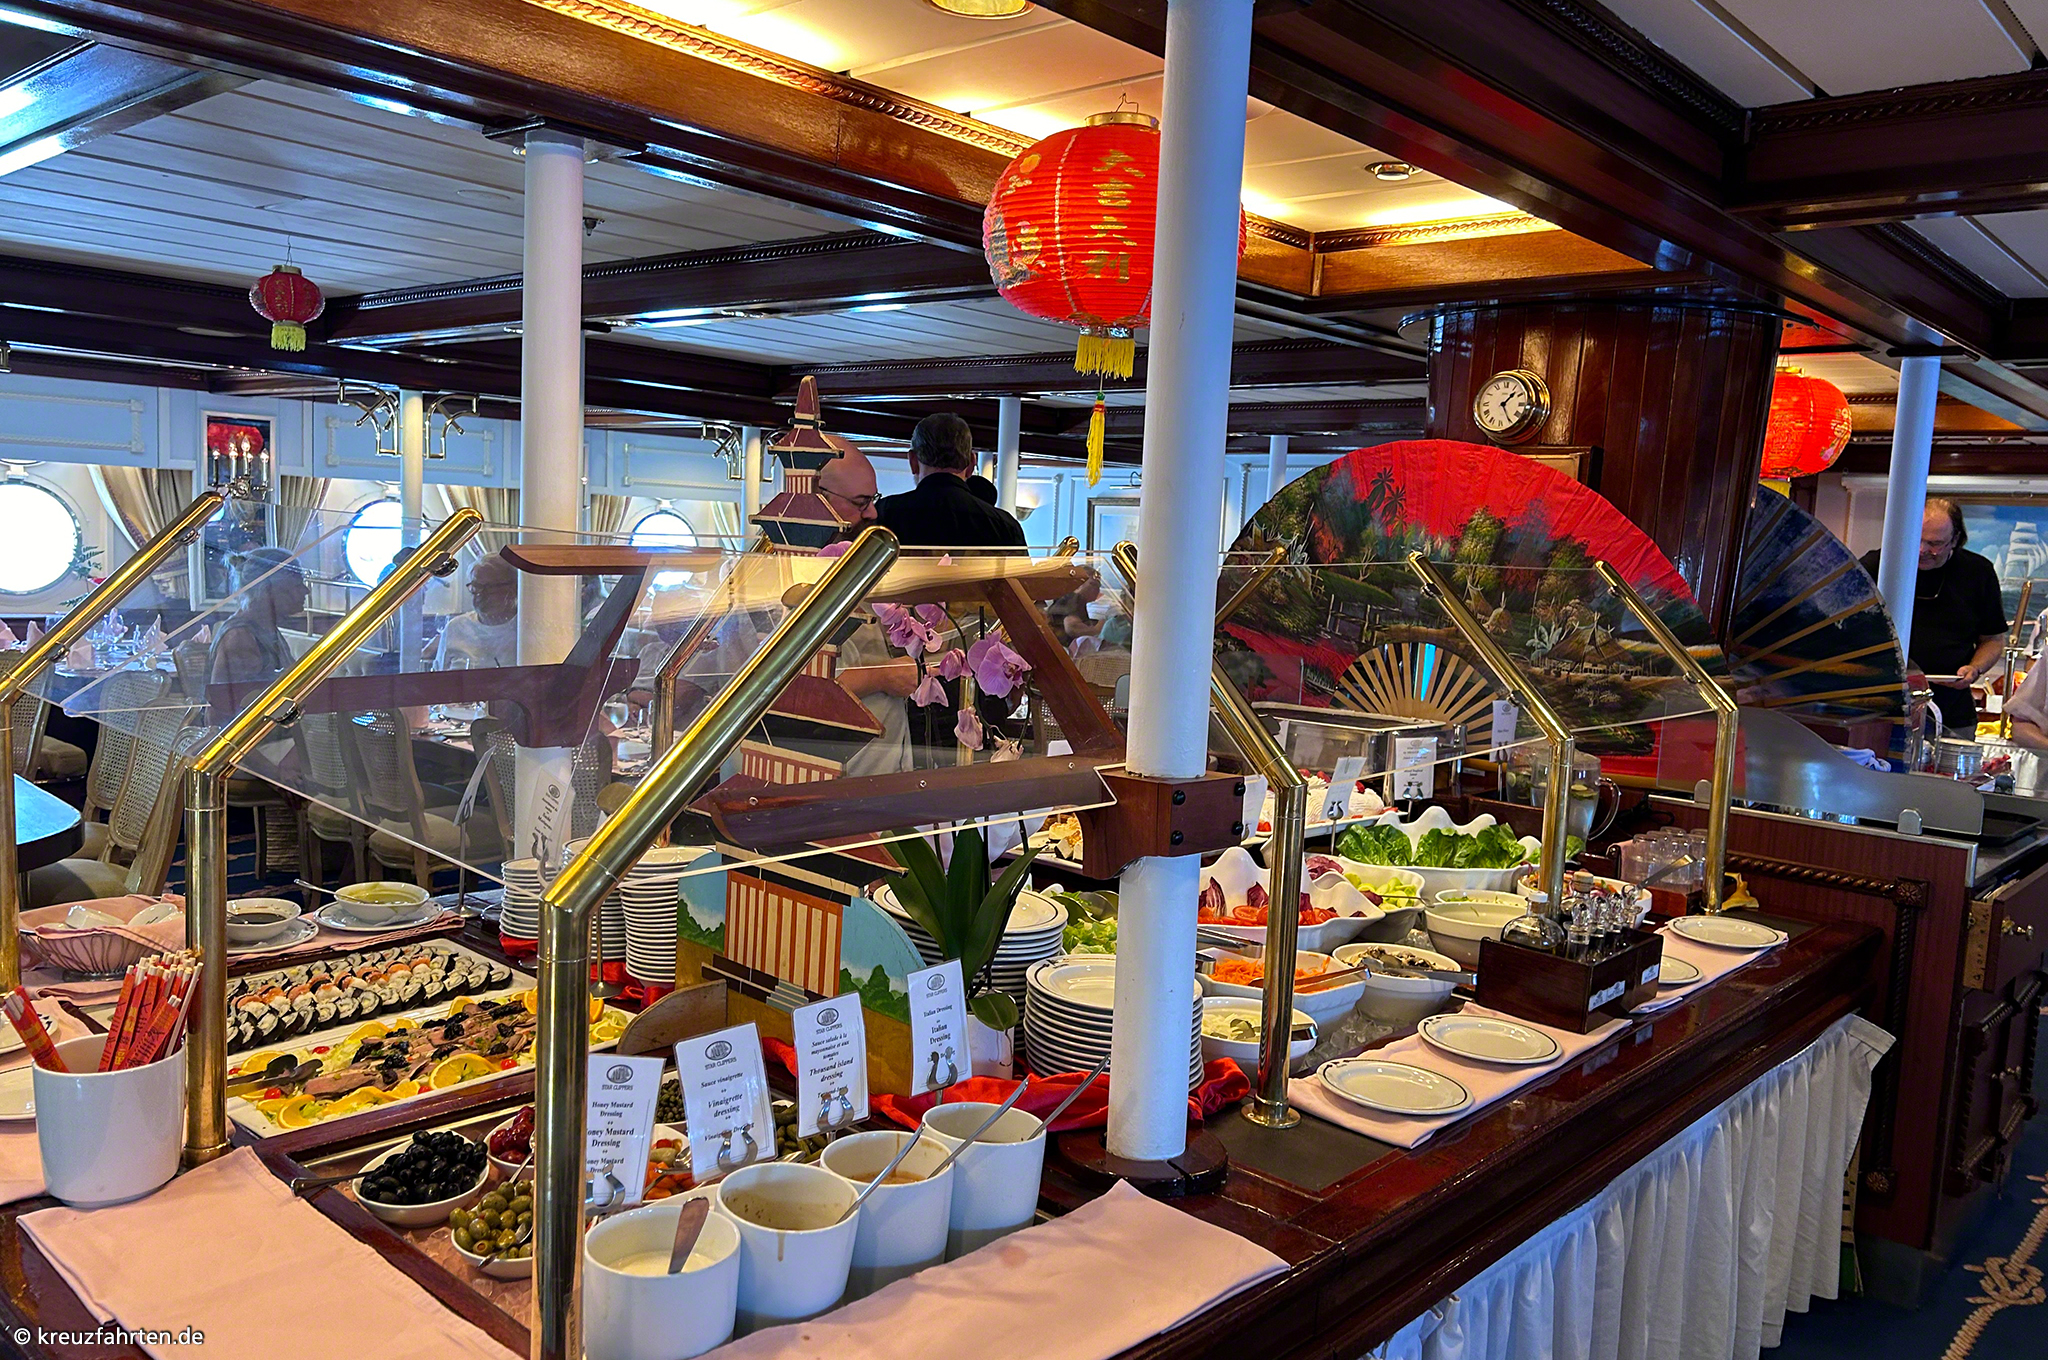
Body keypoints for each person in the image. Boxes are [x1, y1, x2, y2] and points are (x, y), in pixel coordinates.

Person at [1861, 498, 2007, 735]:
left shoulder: (1978, 572)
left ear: (1955, 540)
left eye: (1934, 543)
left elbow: (1992, 639)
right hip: (1879, 710)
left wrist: (1975, 668)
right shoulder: (1877, 564)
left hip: (1951, 713)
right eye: (1916, 539)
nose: (1922, 550)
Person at [815, 446, 918, 776]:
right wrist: (881, 676)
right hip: (823, 776)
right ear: (818, 498)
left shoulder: (855, 566)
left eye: (873, 500)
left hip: (878, 771)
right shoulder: (774, 574)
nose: (873, 512)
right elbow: (779, 687)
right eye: (861, 502)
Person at [876, 413, 1026, 549]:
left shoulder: (884, 514)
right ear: (971, 464)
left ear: (913, 461)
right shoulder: (1004, 525)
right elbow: (1019, 572)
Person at [209, 546, 308, 688]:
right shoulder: (241, 638)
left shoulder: (266, 628)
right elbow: (224, 700)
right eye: (297, 585)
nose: (306, 591)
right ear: (268, 590)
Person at [434, 554, 519, 670]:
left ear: (512, 589)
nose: (480, 594)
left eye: (490, 587)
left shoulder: (523, 628)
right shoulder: (456, 627)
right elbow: (438, 675)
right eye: (476, 586)